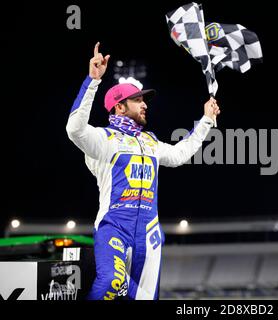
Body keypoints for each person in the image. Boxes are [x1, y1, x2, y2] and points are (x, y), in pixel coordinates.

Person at [66, 42, 220, 300]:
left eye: (144, 100)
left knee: (145, 298)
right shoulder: (102, 139)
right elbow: (74, 130)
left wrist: (205, 121)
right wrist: (92, 81)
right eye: (137, 100)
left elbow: (181, 154)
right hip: (113, 226)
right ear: (119, 106)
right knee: (110, 283)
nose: (144, 104)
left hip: (149, 233)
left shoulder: (150, 142)